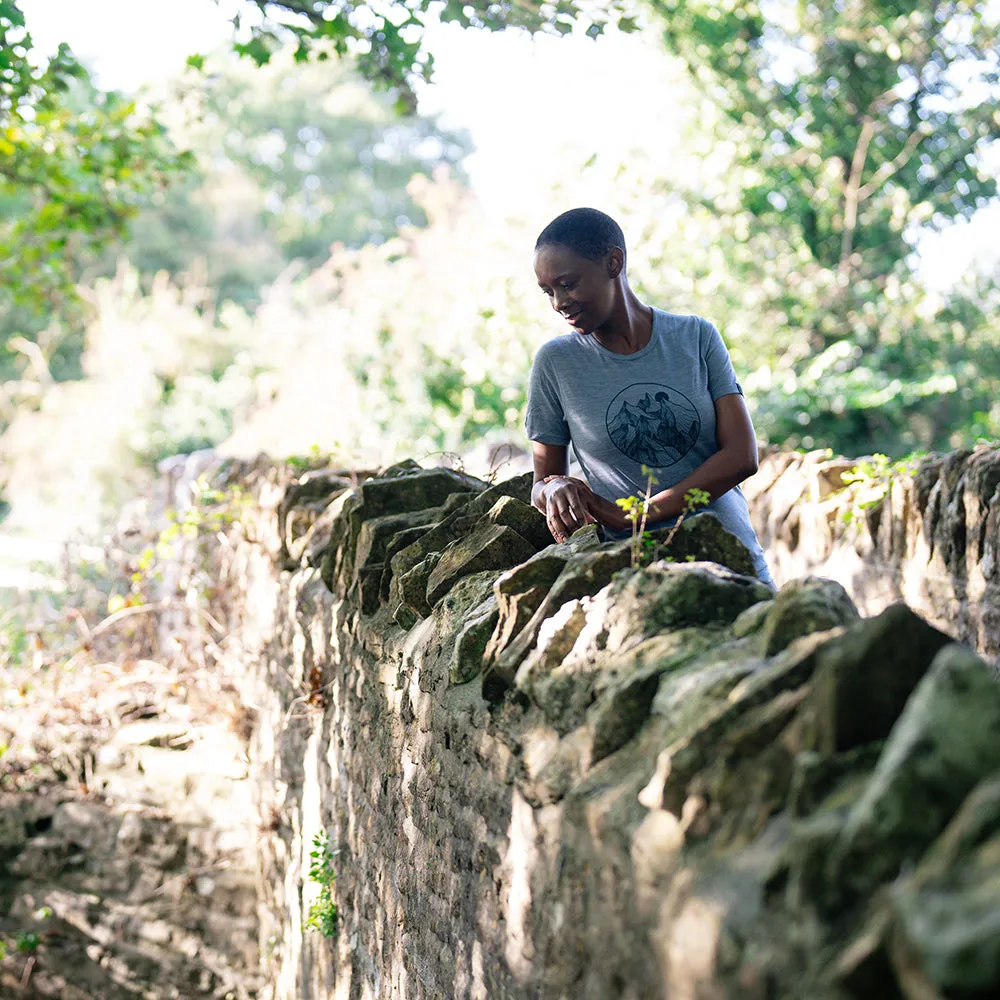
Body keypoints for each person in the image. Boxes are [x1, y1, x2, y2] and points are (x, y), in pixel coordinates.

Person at [526, 207, 773, 587]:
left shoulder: (696, 337)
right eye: (549, 292)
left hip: (731, 559)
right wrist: (555, 487)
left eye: (569, 283)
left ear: (613, 262)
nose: (559, 302)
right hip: (637, 578)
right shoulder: (555, 363)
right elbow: (542, 483)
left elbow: (742, 456)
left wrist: (634, 515)